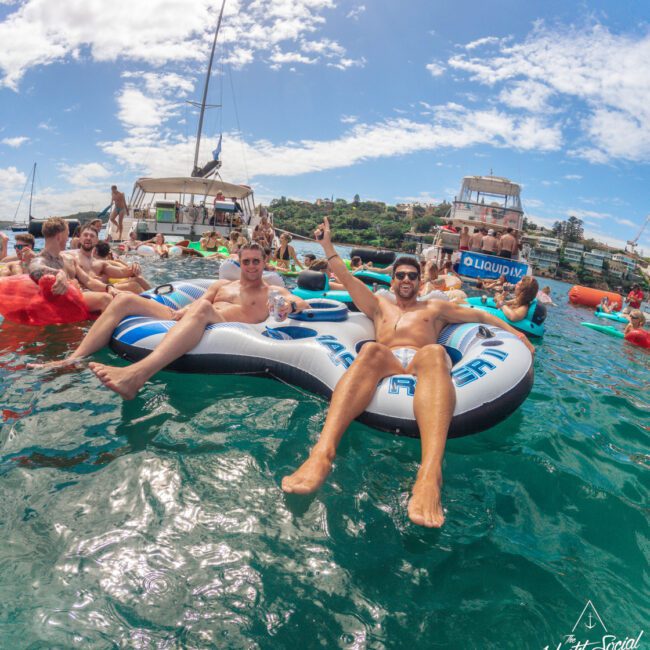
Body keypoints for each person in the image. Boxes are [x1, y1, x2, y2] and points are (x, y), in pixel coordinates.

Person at [282, 217, 535, 528]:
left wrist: (517, 334)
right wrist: (327, 245)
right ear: (393, 281)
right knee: (372, 350)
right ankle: (321, 453)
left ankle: (430, 474)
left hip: (420, 362)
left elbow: (480, 313)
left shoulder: (433, 310)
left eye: (412, 276)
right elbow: (346, 278)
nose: (405, 280)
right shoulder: (377, 306)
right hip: (385, 360)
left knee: (434, 352)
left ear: (419, 282)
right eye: (400, 275)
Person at [28, 243, 311, 393]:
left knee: (202, 310)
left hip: (228, 328)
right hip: (193, 317)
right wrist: (182, 311)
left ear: (264, 263)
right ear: (238, 261)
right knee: (125, 299)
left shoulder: (272, 289)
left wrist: (289, 305)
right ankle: (72, 359)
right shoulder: (222, 286)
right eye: (245, 261)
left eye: (256, 261)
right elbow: (200, 303)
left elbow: (299, 301)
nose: (250, 266)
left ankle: (136, 375)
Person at [27, 217, 116, 311]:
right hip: (61, 307)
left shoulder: (69, 259)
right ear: (59, 237)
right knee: (106, 299)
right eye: (67, 235)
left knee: (120, 297)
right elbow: (35, 269)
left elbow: (88, 281)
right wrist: (58, 273)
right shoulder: (41, 259)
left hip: (79, 300)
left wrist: (108, 287)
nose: (68, 239)